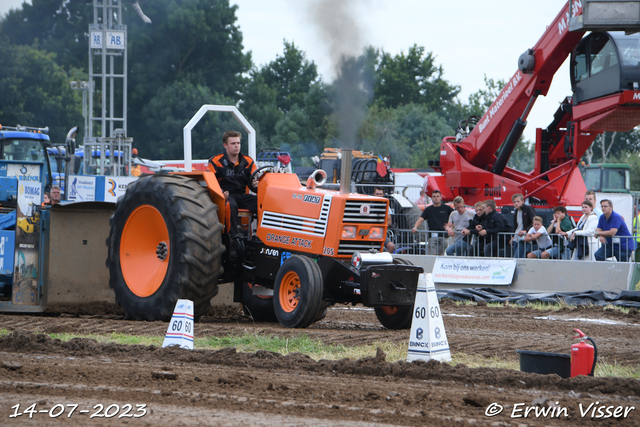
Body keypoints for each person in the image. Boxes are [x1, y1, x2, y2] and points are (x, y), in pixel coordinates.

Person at [208, 131, 258, 239]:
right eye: (233, 143)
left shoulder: (248, 162)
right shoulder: (216, 161)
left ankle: (260, 236)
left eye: (238, 143)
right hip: (226, 196)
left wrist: (256, 184)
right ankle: (232, 238)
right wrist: (220, 193)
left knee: (263, 204)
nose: (236, 146)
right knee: (231, 205)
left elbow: (254, 183)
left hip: (242, 195)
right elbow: (210, 181)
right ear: (225, 145)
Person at [411, 190, 453, 255]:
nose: (436, 198)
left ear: (441, 197)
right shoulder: (428, 209)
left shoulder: (447, 208)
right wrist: (415, 227)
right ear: (431, 198)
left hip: (444, 236)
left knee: (441, 255)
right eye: (434, 196)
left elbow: (455, 217)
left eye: (437, 196)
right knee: (432, 255)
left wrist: (450, 226)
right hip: (432, 236)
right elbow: (420, 219)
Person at [509, 193, 536, 258]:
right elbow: (516, 225)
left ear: (522, 201)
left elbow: (534, 222)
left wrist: (525, 231)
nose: (516, 203)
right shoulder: (516, 211)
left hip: (525, 237)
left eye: (518, 201)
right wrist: (513, 236)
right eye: (514, 202)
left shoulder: (528, 209)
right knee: (517, 256)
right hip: (517, 236)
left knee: (518, 257)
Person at [373, 187, 395, 253]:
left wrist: (381, 227)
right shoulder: (368, 204)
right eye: (377, 194)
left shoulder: (386, 206)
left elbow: (389, 221)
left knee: (391, 246)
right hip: (368, 232)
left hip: (380, 232)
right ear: (374, 194)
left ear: (383, 195)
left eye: (380, 194)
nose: (379, 196)